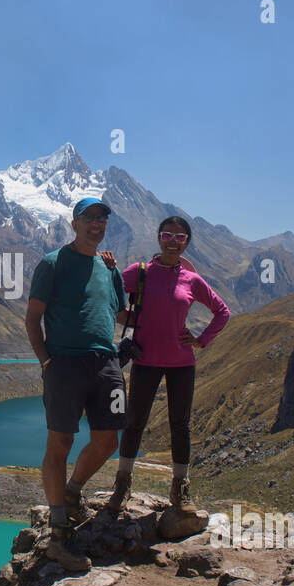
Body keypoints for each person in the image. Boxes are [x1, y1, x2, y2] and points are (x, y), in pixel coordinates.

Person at [25, 198, 127, 572]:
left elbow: (120, 313)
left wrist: (168, 289)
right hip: (64, 365)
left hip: (107, 364)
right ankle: (58, 533)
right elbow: (33, 318)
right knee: (60, 442)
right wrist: (46, 361)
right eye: (90, 218)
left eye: (102, 218)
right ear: (75, 223)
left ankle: (71, 493)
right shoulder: (52, 264)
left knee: (108, 440)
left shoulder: (108, 266)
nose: (96, 224)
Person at [105, 215, 229, 516]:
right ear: (159, 238)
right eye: (168, 235)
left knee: (180, 426)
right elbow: (111, 295)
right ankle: (122, 484)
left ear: (187, 242)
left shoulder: (193, 280)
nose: (173, 241)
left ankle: (181, 488)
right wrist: (108, 269)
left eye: (180, 237)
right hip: (146, 359)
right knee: (134, 423)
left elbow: (221, 312)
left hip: (181, 363)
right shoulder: (140, 272)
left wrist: (201, 340)